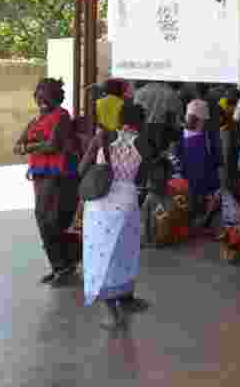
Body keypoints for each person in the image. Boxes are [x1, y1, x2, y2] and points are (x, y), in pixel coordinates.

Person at [79, 102, 150, 330]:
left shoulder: (102, 137)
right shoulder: (144, 143)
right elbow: (142, 179)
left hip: (100, 205)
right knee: (124, 253)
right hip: (127, 203)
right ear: (141, 122)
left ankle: (111, 314)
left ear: (119, 118)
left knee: (101, 257)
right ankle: (126, 299)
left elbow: (81, 169)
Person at [14, 78, 80, 287]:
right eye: (39, 97)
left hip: (59, 175)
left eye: (47, 96)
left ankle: (65, 265)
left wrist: (29, 147)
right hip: (40, 174)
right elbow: (18, 145)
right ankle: (59, 266)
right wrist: (31, 146)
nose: (42, 101)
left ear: (56, 97)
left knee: (52, 220)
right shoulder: (35, 121)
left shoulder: (62, 115)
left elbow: (53, 145)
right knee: (44, 220)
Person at [175, 99, 221, 233]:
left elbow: (178, 157)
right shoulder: (208, 135)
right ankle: (200, 223)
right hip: (202, 176)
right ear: (202, 120)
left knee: (195, 200)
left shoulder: (181, 135)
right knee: (202, 200)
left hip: (192, 176)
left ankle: (195, 223)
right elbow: (215, 157)